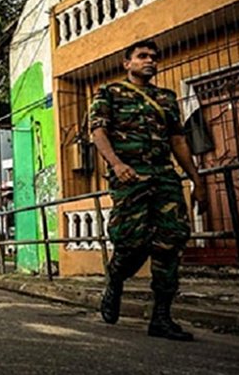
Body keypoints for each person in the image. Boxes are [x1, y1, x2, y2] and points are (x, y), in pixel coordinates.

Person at [90, 40, 206, 341]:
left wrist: (196, 179)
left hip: (165, 178)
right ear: (127, 63)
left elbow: (178, 140)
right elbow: (98, 132)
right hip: (130, 177)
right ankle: (115, 279)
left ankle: (161, 318)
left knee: (171, 242)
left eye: (154, 57)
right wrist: (116, 164)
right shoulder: (109, 93)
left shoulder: (166, 98)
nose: (150, 61)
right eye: (142, 56)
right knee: (131, 242)